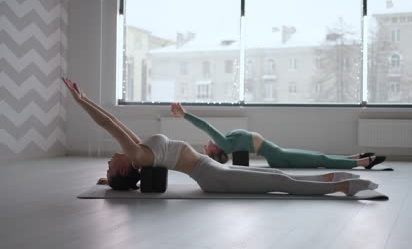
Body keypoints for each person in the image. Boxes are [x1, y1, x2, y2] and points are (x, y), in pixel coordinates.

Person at [63, 78, 378, 196]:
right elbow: (108, 124)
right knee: (278, 184)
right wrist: (80, 103)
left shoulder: (139, 151)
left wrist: (84, 97)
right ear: (122, 170)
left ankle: (334, 176)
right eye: (109, 168)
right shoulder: (137, 156)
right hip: (212, 177)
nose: (108, 161)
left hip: (213, 170)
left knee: (279, 173)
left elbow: (113, 119)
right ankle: (341, 187)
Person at [170, 103, 386, 169]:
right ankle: (362, 163)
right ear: (215, 151)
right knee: (320, 160)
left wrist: (185, 114)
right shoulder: (224, 144)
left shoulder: (225, 142)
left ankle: (355, 157)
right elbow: (206, 126)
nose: (206, 144)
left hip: (278, 153)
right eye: (206, 148)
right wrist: (185, 115)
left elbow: (206, 127)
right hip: (278, 157)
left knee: (319, 156)